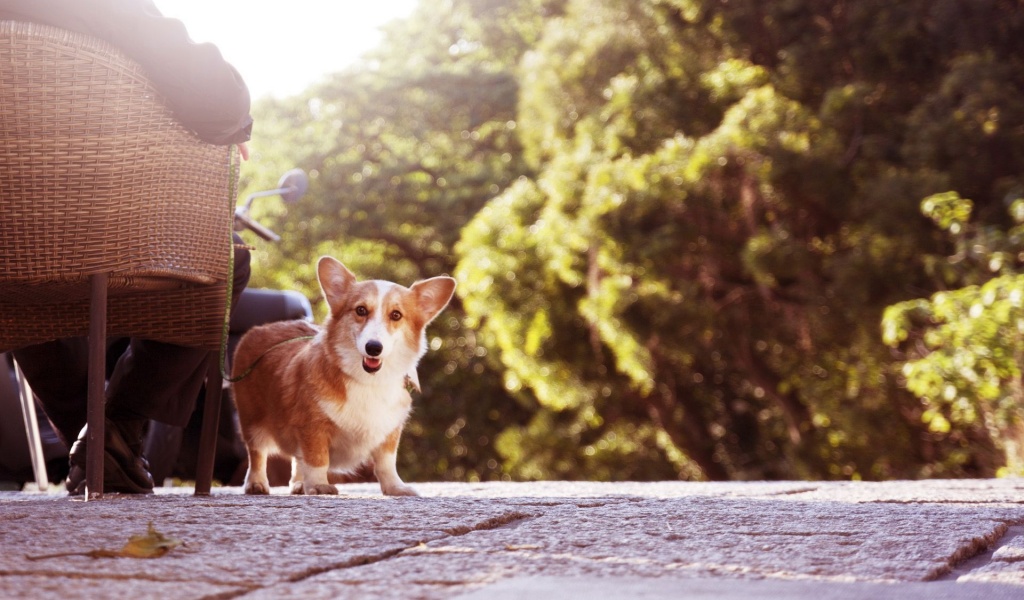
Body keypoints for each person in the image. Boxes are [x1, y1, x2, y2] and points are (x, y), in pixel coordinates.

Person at [0, 0, 254, 494]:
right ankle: (117, 430)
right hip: (111, 235)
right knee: (229, 259)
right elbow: (218, 99)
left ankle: (89, 437)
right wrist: (237, 122)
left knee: (18, 261)